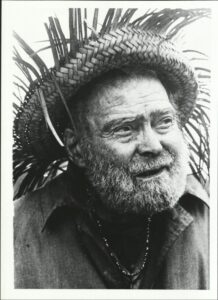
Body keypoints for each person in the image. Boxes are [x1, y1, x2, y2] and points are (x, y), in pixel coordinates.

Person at [13, 8, 210, 289]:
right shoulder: (14, 234)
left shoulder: (207, 213)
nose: (153, 145)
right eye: (124, 128)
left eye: (164, 121)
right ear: (76, 148)